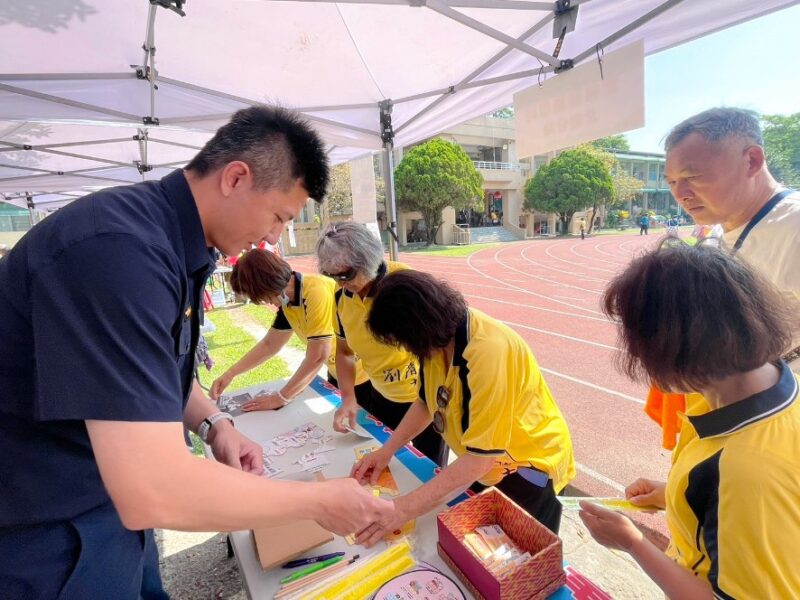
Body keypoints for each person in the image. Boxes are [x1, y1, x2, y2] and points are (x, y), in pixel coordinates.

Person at [0, 106, 392, 598]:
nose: (273, 237)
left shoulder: (171, 243)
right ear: (236, 178)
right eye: (278, 216)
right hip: (50, 530)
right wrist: (317, 501)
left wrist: (214, 423)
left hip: (104, 507)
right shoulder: (119, 253)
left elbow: (149, 372)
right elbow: (152, 488)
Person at [579, 243, 800, 599]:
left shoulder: (744, 472)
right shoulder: (745, 391)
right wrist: (678, 495)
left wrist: (633, 542)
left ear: (678, 346)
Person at [354, 271, 575, 544]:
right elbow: (425, 402)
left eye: (404, 342)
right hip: (487, 464)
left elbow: (479, 460)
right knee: (483, 542)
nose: (407, 350)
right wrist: (386, 451)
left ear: (419, 328)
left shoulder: (487, 353)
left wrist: (401, 510)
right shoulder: (437, 340)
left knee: (521, 552)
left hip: (528, 468)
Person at [647, 107, 800, 450]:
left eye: (693, 176)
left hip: (782, 429)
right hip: (736, 417)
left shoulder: (794, 227)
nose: (680, 193)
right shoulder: (715, 235)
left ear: (752, 161)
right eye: (672, 181)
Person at [315, 221, 447, 466]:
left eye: (345, 275)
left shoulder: (407, 285)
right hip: (383, 395)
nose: (340, 283)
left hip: (425, 398)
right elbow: (344, 352)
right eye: (332, 276)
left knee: (429, 468)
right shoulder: (341, 297)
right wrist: (348, 397)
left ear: (367, 260)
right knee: (384, 465)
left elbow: (440, 349)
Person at [209, 248, 368, 410]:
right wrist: (230, 374)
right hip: (340, 374)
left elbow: (318, 355)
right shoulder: (288, 301)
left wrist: (281, 398)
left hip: (367, 377)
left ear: (267, 285)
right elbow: (269, 345)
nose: (266, 302)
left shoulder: (315, 291)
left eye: (262, 297)